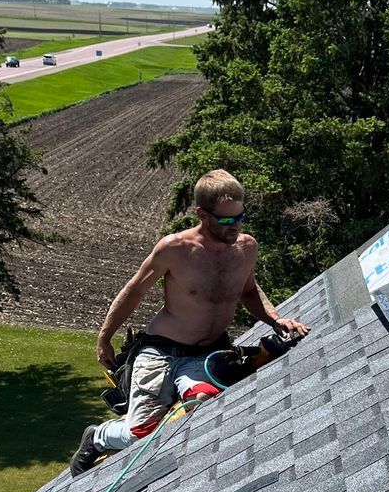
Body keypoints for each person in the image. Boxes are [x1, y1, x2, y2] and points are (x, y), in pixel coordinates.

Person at [70, 169, 309, 476]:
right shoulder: (175, 249)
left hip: (204, 355)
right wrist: (105, 337)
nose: (235, 226)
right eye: (226, 220)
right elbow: (135, 290)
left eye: (240, 217)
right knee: (139, 434)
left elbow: (249, 291)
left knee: (203, 405)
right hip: (160, 353)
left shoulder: (246, 248)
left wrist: (276, 320)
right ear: (202, 214)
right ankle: (98, 437)